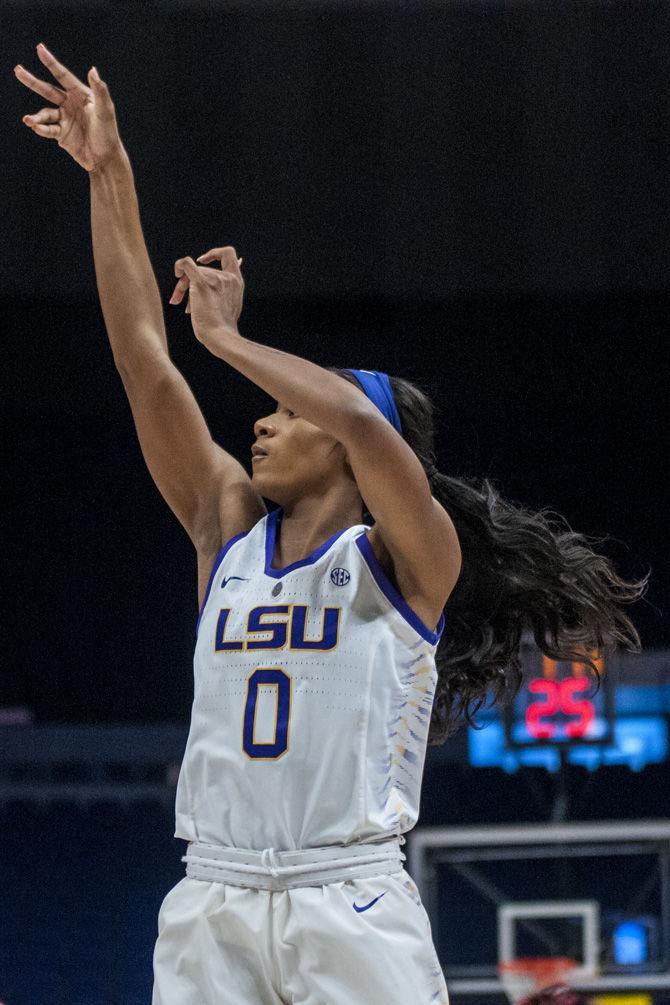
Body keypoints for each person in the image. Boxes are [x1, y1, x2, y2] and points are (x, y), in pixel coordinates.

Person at [15, 44, 650, 1005]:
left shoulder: (412, 554)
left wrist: (230, 341)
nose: (262, 417)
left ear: (360, 453)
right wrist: (110, 173)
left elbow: (358, 414)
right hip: (212, 895)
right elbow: (144, 355)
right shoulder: (225, 526)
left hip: (346, 900)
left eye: (288, 410)